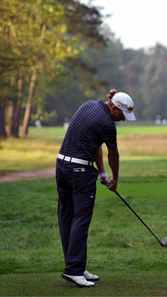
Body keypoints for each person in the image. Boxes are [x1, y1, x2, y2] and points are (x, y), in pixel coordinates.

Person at [56, 89, 136, 287]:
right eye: (122, 115)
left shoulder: (89, 105)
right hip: (79, 172)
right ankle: (74, 269)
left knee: (67, 217)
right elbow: (113, 155)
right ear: (114, 108)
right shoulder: (107, 124)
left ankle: (75, 266)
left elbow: (94, 144)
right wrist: (115, 179)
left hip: (62, 166)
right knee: (81, 219)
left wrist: (101, 172)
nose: (123, 120)